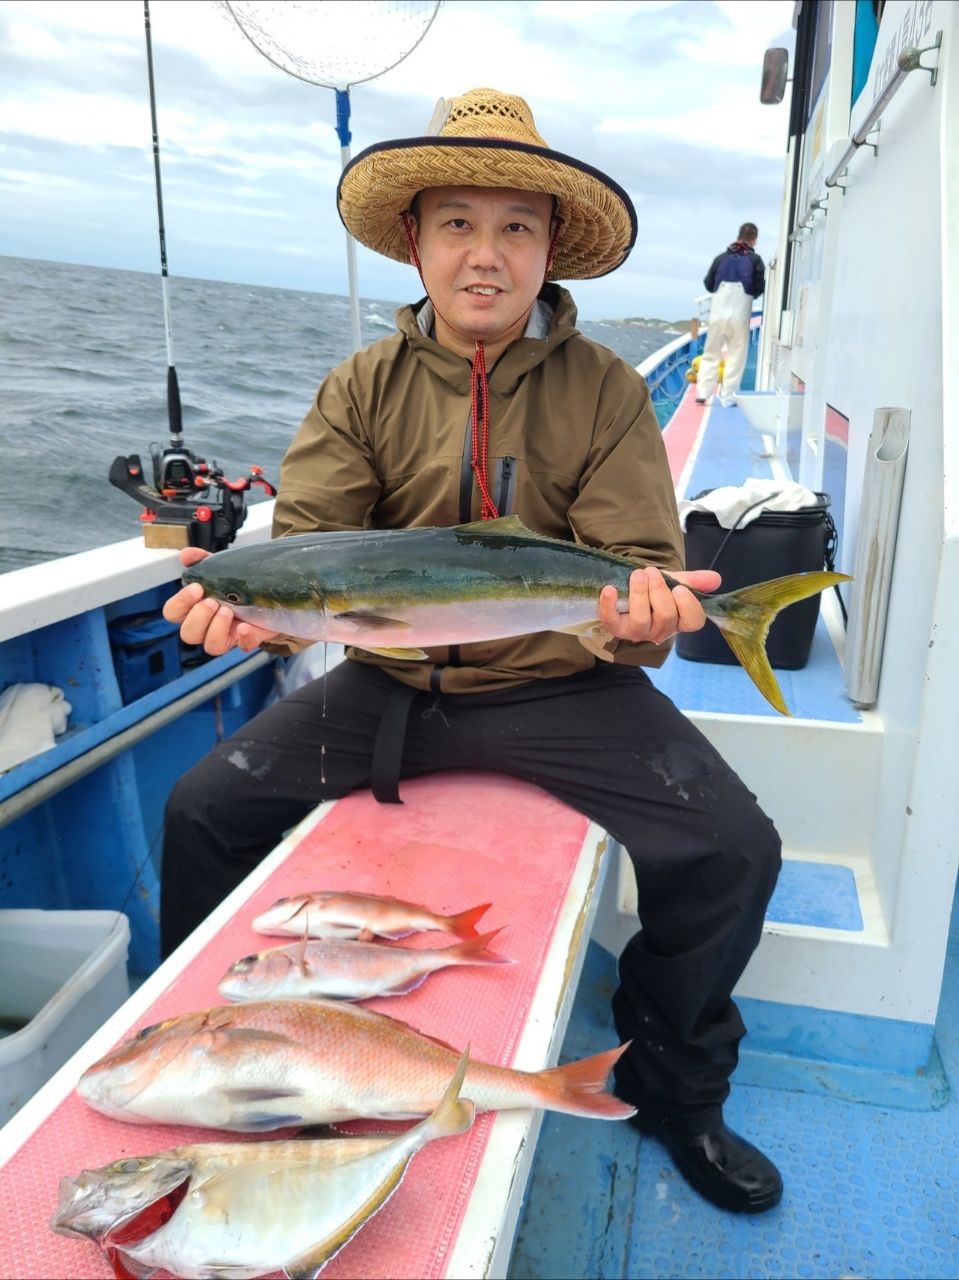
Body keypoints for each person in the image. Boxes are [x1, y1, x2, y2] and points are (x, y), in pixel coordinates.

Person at [161, 88, 784, 1215]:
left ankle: (675, 1090)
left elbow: (636, 555)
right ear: (415, 241)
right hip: (390, 683)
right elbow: (313, 549)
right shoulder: (363, 385)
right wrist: (242, 608)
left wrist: (636, 615)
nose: (484, 254)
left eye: (514, 226)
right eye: (456, 223)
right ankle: (222, 1057)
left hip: (562, 681)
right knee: (202, 808)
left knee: (733, 846)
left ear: (551, 250)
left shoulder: (601, 390)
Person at [696, 223, 765, 407]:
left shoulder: (721, 258)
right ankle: (727, 396)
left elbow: (709, 283)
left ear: (739, 236)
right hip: (739, 313)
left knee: (711, 352)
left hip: (718, 312)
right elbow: (759, 288)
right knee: (736, 354)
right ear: (754, 239)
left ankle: (703, 393)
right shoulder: (755, 260)